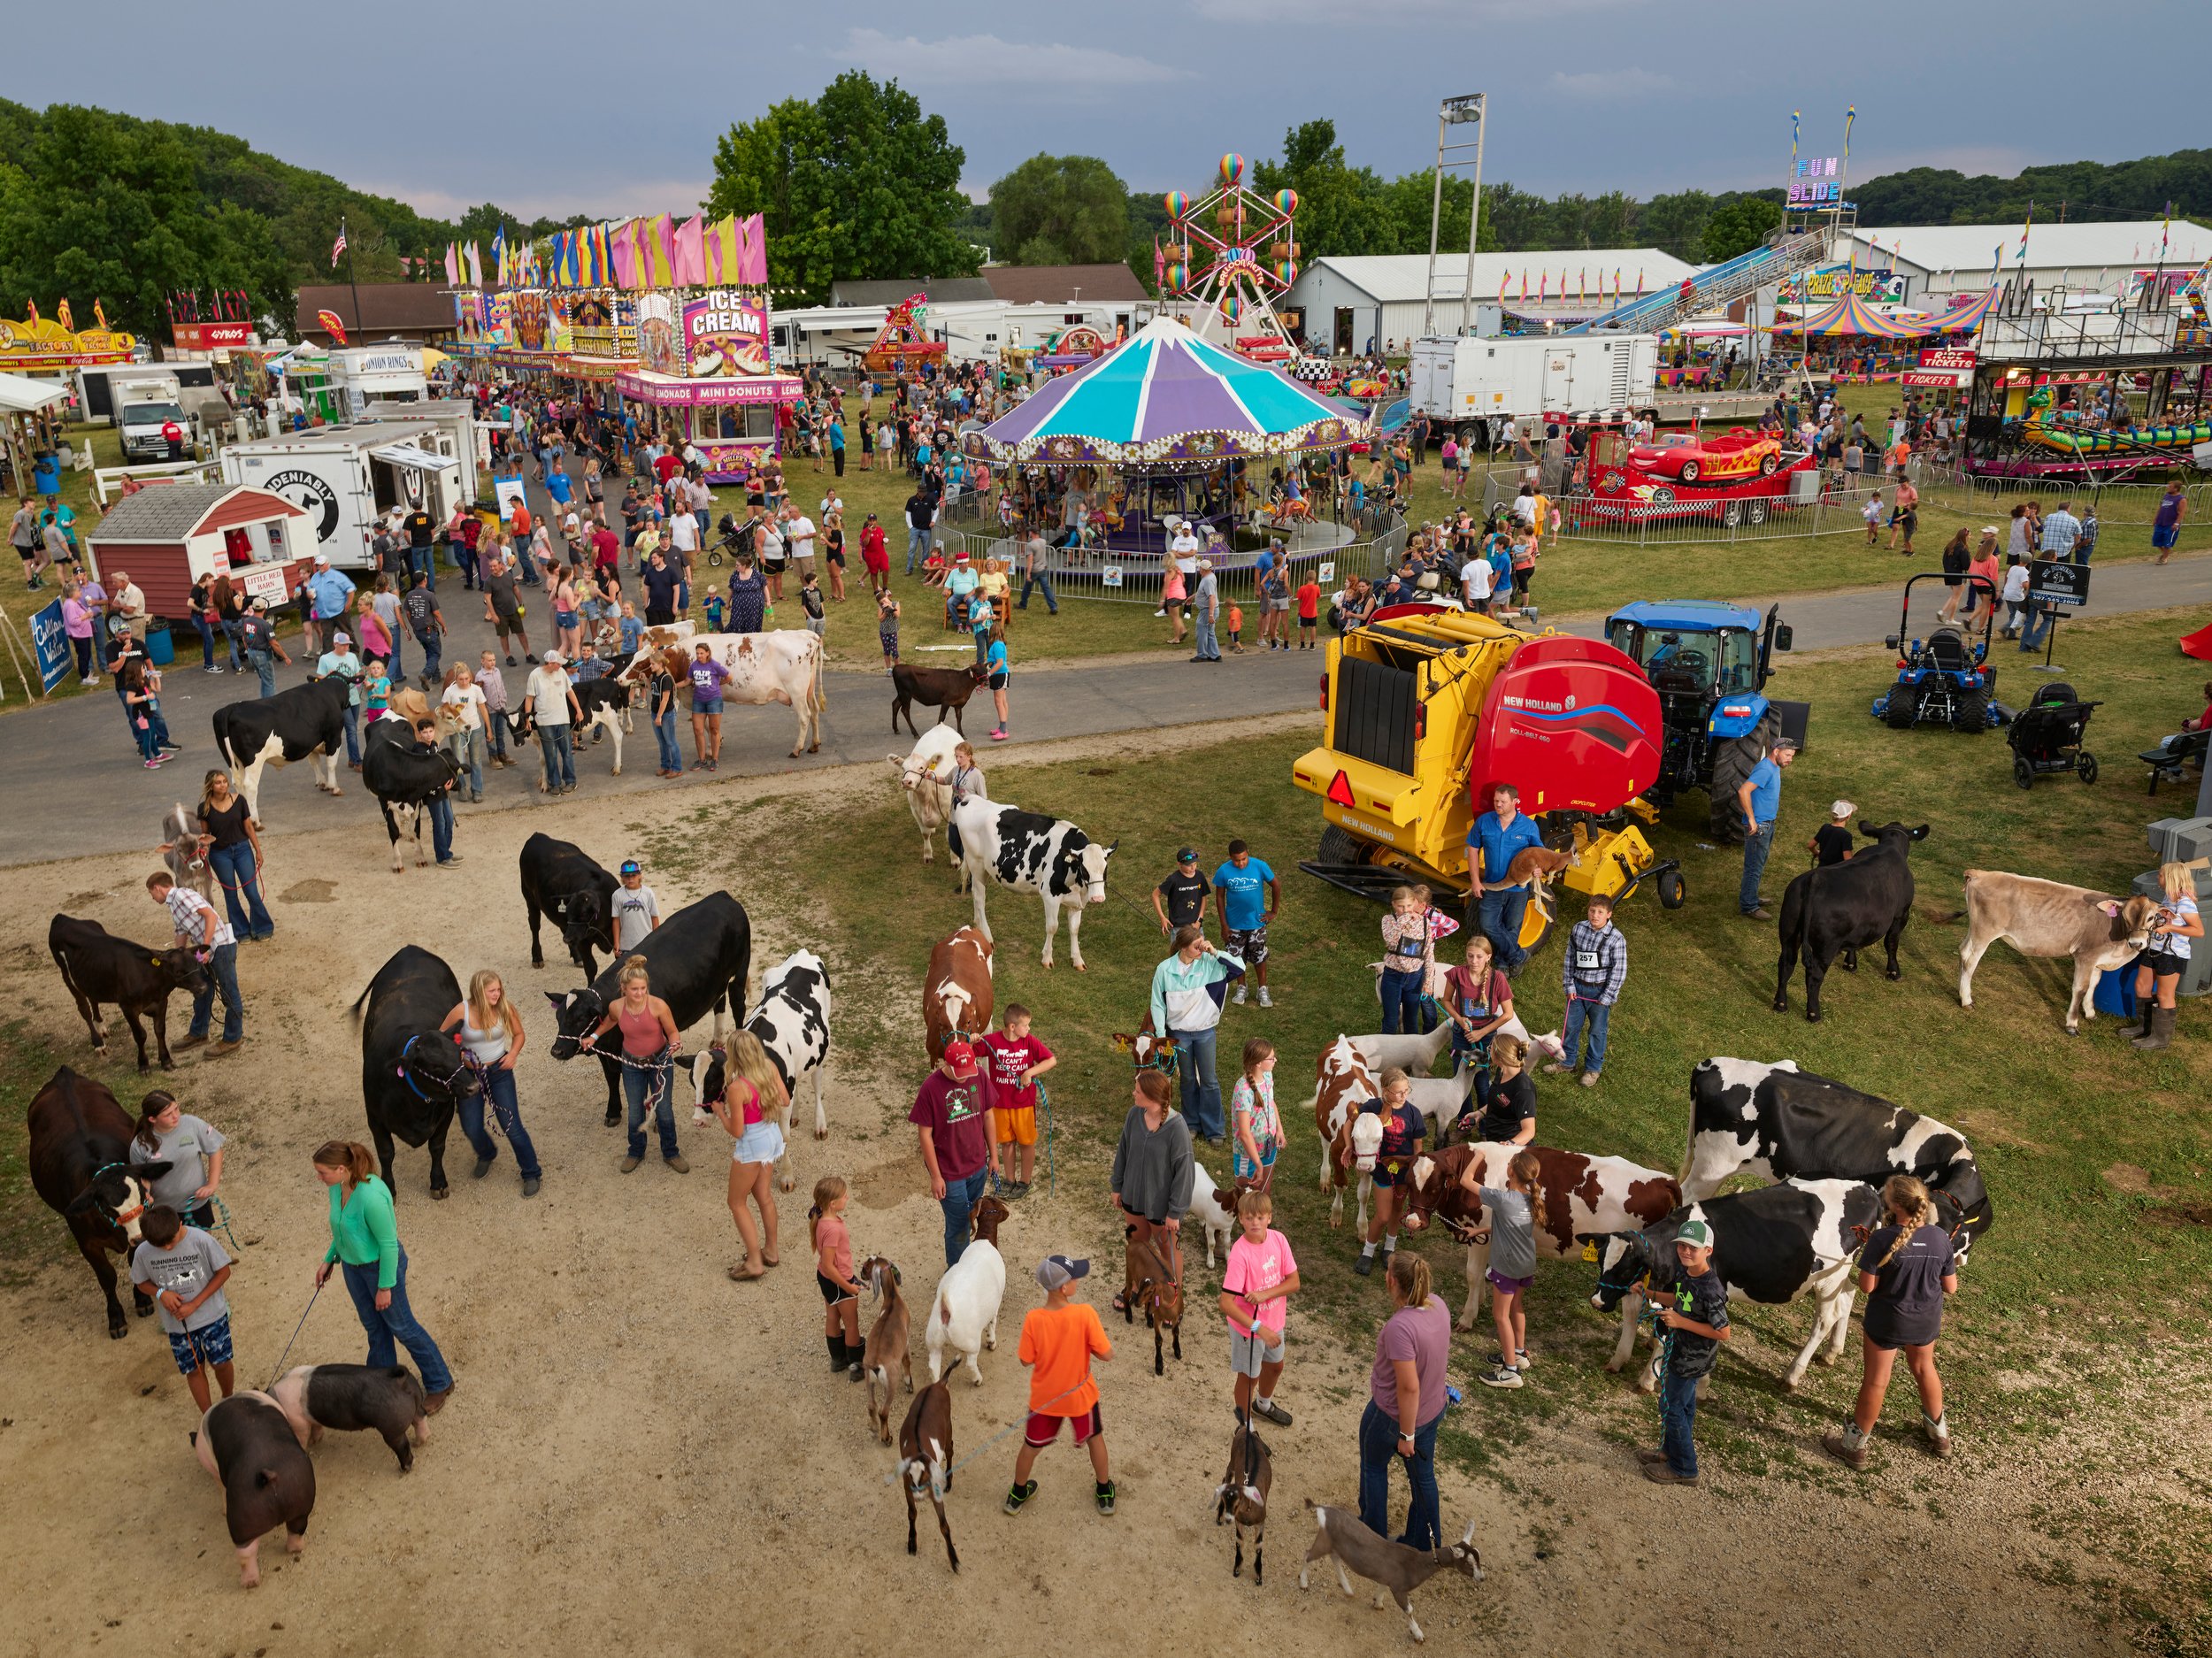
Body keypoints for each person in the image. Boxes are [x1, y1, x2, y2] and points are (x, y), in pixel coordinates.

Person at [1822, 1175, 1958, 1470]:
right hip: (1925, 1321)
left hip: (1888, 1322)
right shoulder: (1940, 1237)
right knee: (1924, 1369)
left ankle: (1854, 1447)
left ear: (1894, 1205)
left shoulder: (1883, 1239)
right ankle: (1940, 1436)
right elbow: (1951, 1287)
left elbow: (1868, 1286)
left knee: (1876, 1381)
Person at [311, 1140, 454, 1413]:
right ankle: (382, 1387)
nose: (319, 1178)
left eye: (322, 1172)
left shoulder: (371, 1197)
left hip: (380, 1268)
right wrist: (330, 1259)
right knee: (374, 1328)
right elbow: (342, 1228)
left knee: (403, 1327)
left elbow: (389, 1245)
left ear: (341, 1169)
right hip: (353, 1269)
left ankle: (440, 1382)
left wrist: (385, 1286)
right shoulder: (336, 1187)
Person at [1004, 1255, 1117, 1517]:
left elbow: (1024, 1360)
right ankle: (1104, 1490)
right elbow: (1107, 1354)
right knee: (1095, 1439)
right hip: (1080, 1397)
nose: (1078, 1279)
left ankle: (1017, 1493)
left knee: (1031, 1446)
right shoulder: (1085, 1314)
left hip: (1045, 1399)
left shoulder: (1033, 1319)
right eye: (1074, 1277)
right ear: (1064, 1288)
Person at [1360, 1252, 1450, 1548]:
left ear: (1393, 1281)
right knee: (1423, 1479)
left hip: (1392, 1417)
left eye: (1387, 1271)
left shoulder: (1400, 1328)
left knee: (1374, 1467)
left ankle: (1372, 1537)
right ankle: (1421, 1542)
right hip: (1432, 1410)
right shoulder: (1438, 1304)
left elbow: (1408, 1387)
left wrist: (1406, 1434)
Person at [1640, 1216, 1729, 1485]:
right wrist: (1648, 1294)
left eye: (1693, 1247)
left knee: (1670, 1406)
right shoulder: (1685, 1272)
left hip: (1693, 1359)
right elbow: (1679, 1298)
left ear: (1708, 1251)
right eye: (1682, 1246)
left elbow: (1723, 1332)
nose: (1686, 1251)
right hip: (1680, 1351)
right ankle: (1670, 1452)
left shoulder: (1712, 1289)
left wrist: (1681, 1322)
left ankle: (1685, 1468)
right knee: (1684, 1406)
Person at [438, 970, 542, 1198]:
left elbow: (519, 1034)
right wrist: (460, 1053)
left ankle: (531, 1172)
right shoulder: (461, 1011)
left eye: (498, 989)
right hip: (470, 1076)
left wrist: (513, 1054)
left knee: (511, 1125)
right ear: (478, 992)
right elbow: (443, 1038)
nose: (497, 994)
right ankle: (486, 1153)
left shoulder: (504, 1006)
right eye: (491, 991)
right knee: (471, 1126)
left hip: (499, 1072)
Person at [580, 956, 687, 1173]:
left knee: (664, 1110)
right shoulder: (616, 1007)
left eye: (643, 989)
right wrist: (593, 1036)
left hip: (660, 1063)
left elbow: (672, 1030)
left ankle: (671, 1152)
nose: (639, 994)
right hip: (631, 1065)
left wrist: (675, 1042)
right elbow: (610, 1021)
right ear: (624, 989)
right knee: (636, 1112)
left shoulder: (658, 1006)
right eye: (634, 989)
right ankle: (635, 1151)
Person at [131, 1203, 235, 1411]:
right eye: (160, 1246)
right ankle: (208, 1416)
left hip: (212, 1317)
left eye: (171, 1241)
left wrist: (195, 1304)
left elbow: (224, 1272)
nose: (168, 1248)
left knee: (221, 1363)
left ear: (180, 1224)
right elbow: (140, 1282)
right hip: (178, 1326)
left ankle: (228, 1399)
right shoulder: (143, 1252)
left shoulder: (201, 1241)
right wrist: (160, 1293)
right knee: (194, 1370)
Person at [707, 1030, 791, 1281]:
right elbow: (785, 1100)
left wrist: (720, 1113)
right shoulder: (769, 1066)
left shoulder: (737, 1087)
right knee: (763, 1196)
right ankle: (771, 1251)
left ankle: (755, 1261)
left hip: (753, 1144)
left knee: (736, 1202)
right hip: (772, 1135)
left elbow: (737, 1130)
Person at [1148, 925, 1245, 1143]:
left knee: (1209, 1080)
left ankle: (1215, 1129)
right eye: (1196, 946)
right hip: (1178, 1034)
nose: (1201, 949)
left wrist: (1215, 952)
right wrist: (1162, 1037)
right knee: (1188, 1079)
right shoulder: (1164, 969)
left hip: (1205, 1033)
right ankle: (1191, 1124)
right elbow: (1157, 1004)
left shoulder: (1211, 963)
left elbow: (1239, 968)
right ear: (1183, 947)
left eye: (1202, 944)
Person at [1108, 1069, 1194, 1304]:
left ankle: (1172, 1297)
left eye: (1137, 1091)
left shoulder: (1177, 1127)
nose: (1133, 1093)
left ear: (1152, 1097)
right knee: (1138, 1246)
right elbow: (1123, 1150)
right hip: (1133, 1196)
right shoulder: (1134, 1115)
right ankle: (1135, 1286)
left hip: (1161, 1207)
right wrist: (1117, 1186)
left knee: (1167, 1252)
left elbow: (1185, 1173)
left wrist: (1175, 1211)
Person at [911, 1038, 996, 1267]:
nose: (967, 1076)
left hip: (977, 1166)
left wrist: (994, 1156)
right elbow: (925, 1135)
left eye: (969, 1069)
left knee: (972, 1218)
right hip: (950, 1174)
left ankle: (968, 1267)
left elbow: (988, 1116)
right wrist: (936, 1176)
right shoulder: (931, 1088)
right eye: (961, 1072)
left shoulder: (979, 1075)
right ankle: (957, 1273)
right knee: (958, 1226)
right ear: (946, 1065)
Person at [163, 770, 274, 943]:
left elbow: (249, 828)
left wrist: (258, 851)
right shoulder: (204, 807)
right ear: (211, 786)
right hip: (220, 855)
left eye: (224, 781)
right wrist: (204, 849)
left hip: (243, 850)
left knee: (251, 891)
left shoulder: (239, 800)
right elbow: (205, 834)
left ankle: (263, 927)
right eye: (218, 782)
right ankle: (240, 931)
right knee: (230, 894)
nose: (223, 785)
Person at [1220, 1186, 1299, 1429]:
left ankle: (1263, 1405)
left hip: (1274, 1323)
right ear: (1241, 1219)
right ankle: (1246, 1427)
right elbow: (1226, 1304)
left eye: (1260, 1217)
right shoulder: (1240, 1255)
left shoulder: (1279, 1240)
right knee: (1249, 1377)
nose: (1255, 1222)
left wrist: (1265, 1294)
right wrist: (1258, 1328)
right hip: (1249, 1330)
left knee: (1276, 1366)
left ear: (1269, 1218)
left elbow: (1294, 1282)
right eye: (1249, 1218)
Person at [149, 870, 242, 1055]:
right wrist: (178, 957)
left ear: (157, 888)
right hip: (205, 951)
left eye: (151, 893)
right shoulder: (174, 905)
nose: (152, 898)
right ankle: (199, 1033)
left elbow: (211, 916)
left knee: (229, 994)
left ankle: (233, 1039)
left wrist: (205, 948)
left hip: (220, 946)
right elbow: (181, 933)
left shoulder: (182, 895)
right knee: (201, 990)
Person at [1474, 1148, 1544, 1389]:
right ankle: (1519, 1353)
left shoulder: (1502, 1199)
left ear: (1511, 1170)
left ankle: (1510, 1371)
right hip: (1525, 1264)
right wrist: (1480, 1231)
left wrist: (1477, 1156)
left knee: (1500, 1316)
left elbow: (1464, 1181)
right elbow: (1511, 1229)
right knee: (1516, 1307)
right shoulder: (1531, 1200)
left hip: (1507, 1266)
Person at [979, 1004, 1056, 1197]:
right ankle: (1009, 1180)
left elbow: (1051, 1060)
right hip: (1001, 1105)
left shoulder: (1029, 1042)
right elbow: (970, 1050)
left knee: (1026, 1143)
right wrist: (971, 1039)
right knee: (1006, 1143)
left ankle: (1025, 1182)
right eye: (1026, 1025)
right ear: (1012, 1026)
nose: (1029, 1029)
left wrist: (1030, 1072)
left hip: (1023, 1105)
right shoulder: (993, 1041)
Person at [1468, 783, 1545, 976]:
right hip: (1493, 885)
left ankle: (1503, 963)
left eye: (1503, 801)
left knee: (1512, 926)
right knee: (1488, 924)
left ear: (1515, 802)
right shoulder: (1484, 822)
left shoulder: (1528, 825)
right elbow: (1473, 849)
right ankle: (1518, 956)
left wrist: (1539, 869)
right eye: (1496, 801)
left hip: (1518, 888)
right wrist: (1475, 881)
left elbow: (1539, 855)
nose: (1498, 805)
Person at [1353, 1069, 1424, 1278]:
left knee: (1396, 1212)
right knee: (1383, 1215)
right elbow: (1354, 1121)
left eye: (1405, 1090)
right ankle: (1368, 1252)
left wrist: (1415, 1167)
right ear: (1385, 1091)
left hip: (1404, 1171)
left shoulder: (1413, 1113)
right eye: (1398, 1092)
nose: (1403, 1095)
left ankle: (1389, 1248)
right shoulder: (1373, 1107)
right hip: (1384, 1172)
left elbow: (1417, 1144)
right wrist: (1350, 1147)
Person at [2126, 861, 2202, 1052]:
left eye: (2160, 875)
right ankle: (2144, 1027)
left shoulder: (2185, 903)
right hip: (2155, 949)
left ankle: (2160, 1038)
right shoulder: (2169, 899)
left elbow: (2198, 931)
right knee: (2141, 986)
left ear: (2170, 879)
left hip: (2172, 955)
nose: (2158, 878)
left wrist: (2169, 927)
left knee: (2164, 994)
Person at [1551, 894, 1625, 1086]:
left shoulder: (1616, 939)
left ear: (1609, 914)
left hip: (1599, 993)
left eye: (1600, 912)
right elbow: (1570, 958)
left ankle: (1592, 1069)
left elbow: (1619, 970)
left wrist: (1607, 996)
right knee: (1571, 1027)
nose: (1595, 915)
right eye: (1592, 911)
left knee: (1597, 1032)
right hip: (1577, 989)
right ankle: (1567, 1062)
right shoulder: (1578, 929)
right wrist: (1569, 985)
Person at [129, 1090, 227, 1234]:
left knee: (200, 1245)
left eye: (176, 1108)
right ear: (152, 1119)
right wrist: (146, 1194)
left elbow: (215, 1150)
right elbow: (143, 1177)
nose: (176, 1116)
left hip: (196, 1205)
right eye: (168, 1114)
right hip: (163, 1212)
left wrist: (212, 1184)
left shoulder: (192, 1124)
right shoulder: (140, 1145)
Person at [1737, 736, 1799, 920]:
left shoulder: (1775, 766)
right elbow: (1743, 791)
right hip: (1760, 826)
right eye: (1788, 755)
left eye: (1792, 756)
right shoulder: (1765, 769)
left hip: (1767, 823)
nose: (1790, 759)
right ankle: (1749, 905)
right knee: (1753, 867)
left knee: (1759, 864)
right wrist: (1751, 819)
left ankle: (1751, 896)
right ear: (1776, 751)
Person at [1211, 840, 1279, 1007]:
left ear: (1247, 853)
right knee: (1236, 958)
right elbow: (1219, 897)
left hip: (1256, 923)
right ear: (1230, 857)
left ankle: (1262, 989)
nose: (1240, 863)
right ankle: (1242, 987)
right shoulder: (1224, 871)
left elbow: (1276, 885)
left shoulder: (1259, 866)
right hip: (1234, 925)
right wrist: (1224, 925)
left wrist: (1273, 912)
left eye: (1243, 859)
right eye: (1236, 860)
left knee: (1259, 957)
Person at [1440, 934, 1514, 1086]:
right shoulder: (1456, 973)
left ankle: (1483, 1109)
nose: (1474, 961)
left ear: (1488, 957)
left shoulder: (1498, 978)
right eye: (1470, 956)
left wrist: (1482, 1032)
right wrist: (1459, 1019)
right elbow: (1446, 1000)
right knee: (1460, 1075)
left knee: (1481, 1078)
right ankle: (1463, 1110)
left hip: (1486, 1035)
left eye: (1479, 957)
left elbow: (1508, 1014)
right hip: (1462, 1033)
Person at [810, 1176, 864, 1378]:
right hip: (839, 1279)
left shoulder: (821, 1219)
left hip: (825, 1279)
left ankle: (837, 1360)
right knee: (852, 1323)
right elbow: (829, 1264)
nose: (847, 1197)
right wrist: (849, 1287)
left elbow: (824, 1267)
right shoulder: (833, 1229)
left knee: (832, 1316)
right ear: (833, 1204)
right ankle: (856, 1368)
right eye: (844, 1196)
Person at [1455, 1032, 1534, 1148]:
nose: (1488, 1051)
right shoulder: (1501, 1071)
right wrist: (1479, 1114)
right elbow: (1499, 1099)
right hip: (1495, 1143)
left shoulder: (1523, 1090)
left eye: (1490, 1049)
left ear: (1499, 1056)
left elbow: (1529, 1131)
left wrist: (1509, 1144)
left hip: (1513, 1150)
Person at [1379, 884, 1436, 1037]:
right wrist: (1403, 920)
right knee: (1391, 1019)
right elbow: (1391, 941)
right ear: (1393, 905)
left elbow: (1429, 953)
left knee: (1411, 1019)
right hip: (1393, 975)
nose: (1405, 910)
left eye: (1409, 906)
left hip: (1415, 977)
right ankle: (1387, 1054)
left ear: (1415, 903)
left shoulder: (1425, 923)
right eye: (1401, 907)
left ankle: (1411, 1054)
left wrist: (1428, 981)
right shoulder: (1388, 920)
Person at [524, 651, 581, 794]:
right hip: (544, 722)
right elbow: (529, 698)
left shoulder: (561, 672)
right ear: (550, 663)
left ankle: (570, 781)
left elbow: (570, 692)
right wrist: (528, 718)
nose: (561, 665)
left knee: (567, 752)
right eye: (558, 663)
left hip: (562, 719)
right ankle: (554, 783)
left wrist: (578, 709)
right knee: (551, 754)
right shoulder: (535, 675)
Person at [1228, 1038, 1281, 1192]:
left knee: (1264, 1194)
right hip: (1249, 1155)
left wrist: (1279, 1129)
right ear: (1258, 1062)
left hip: (1268, 1146)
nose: (1275, 1060)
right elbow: (1244, 1134)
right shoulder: (1243, 1090)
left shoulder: (1267, 1075)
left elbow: (1270, 1102)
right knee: (1246, 1200)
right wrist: (1257, 1163)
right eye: (1271, 1058)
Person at [686, 641, 728, 772]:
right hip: (698, 701)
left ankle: (715, 760)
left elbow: (728, 676)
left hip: (714, 700)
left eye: (701, 653)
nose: (699, 655)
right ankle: (702, 759)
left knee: (714, 730)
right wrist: (673, 685)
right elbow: (687, 681)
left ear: (708, 653)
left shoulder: (714, 665)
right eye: (697, 653)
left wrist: (717, 684)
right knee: (698, 730)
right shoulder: (693, 665)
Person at [1152, 848, 1210, 939]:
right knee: (1179, 953)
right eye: (1189, 865)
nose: (1193, 868)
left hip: (1196, 926)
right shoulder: (1173, 879)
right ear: (1180, 864)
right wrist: (1162, 917)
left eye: (1195, 864)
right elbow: (1155, 894)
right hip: (1178, 928)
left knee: (1200, 952)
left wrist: (1199, 921)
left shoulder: (1200, 876)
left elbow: (1203, 897)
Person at [612, 859, 660, 951]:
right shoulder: (617, 895)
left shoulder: (648, 893)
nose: (630, 879)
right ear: (622, 877)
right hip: (625, 946)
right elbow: (616, 920)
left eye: (633, 875)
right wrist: (617, 943)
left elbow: (654, 917)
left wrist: (656, 940)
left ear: (639, 875)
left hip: (647, 943)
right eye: (627, 876)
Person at [1190, 557, 1222, 663]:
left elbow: (1211, 597)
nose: (1199, 569)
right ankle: (1215, 655)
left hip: (1207, 610)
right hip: (1208, 610)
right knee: (1210, 632)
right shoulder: (1210, 576)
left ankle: (1202, 654)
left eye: (1200, 568)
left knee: (1202, 632)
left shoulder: (1207, 580)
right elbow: (1203, 592)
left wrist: (1210, 615)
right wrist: (1193, 596)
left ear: (1203, 570)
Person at [2153, 478, 2187, 565]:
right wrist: (2156, 518)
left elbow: (2182, 513)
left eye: (2170, 486)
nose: (2168, 487)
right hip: (2161, 522)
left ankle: (2164, 559)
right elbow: (2161, 508)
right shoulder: (2166, 496)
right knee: (2156, 541)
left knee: (2167, 543)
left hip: (2171, 524)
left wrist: (2176, 523)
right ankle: (2166, 553)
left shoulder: (2181, 499)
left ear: (2176, 489)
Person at [1810, 800, 1855, 867]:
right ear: (1848, 816)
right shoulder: (1846, 836)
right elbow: (1848, 861)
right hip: (1835, 872)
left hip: (1821, 869)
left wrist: (1817, 853)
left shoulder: (1825, 827)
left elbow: (1810, 845)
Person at [984, 627, 1010, 742]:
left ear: (992, 633)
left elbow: (999, 662)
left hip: (999, 675)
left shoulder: (998, 645)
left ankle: (1003, 731)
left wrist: (989, 674)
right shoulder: (998, 644)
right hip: (999, 675)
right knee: (1002, 701)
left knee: (999, 702)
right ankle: (1002, 727)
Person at [1295, 572, 1320, 648]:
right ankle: (1312, 645)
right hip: (1313, 612)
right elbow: (1318, 596)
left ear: (1306, 578)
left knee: (1303, 627)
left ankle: (1302, 645)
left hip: (1304, 611)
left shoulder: (1302, 588)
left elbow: (1300, 600)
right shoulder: (1317, 588)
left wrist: (1299, 610)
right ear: (1315, 578)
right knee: (1313, 627)